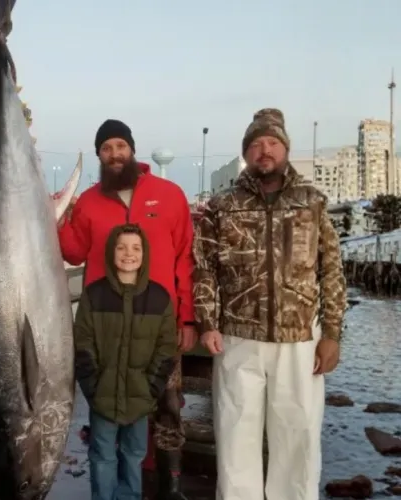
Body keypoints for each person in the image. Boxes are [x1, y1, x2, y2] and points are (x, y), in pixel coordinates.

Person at [193, 108, 347, 500]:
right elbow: (204, 269)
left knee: (298, 438)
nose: (265, 150)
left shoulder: (312, 202)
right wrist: (207, 321)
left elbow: (331, 271)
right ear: (246, 152)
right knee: (235, 438)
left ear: (285, 149)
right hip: (237, 338)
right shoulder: (222, 205)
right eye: (256, 144)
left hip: (299, 341)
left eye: (272, 143)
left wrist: (331, 334)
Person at [59, 119, 196, 499]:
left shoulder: (169, 195)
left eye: (120, 146)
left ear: (132, 150)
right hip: (104, 327)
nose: (114, 154)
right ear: (100, 155)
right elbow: (72, 251)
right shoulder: (88, 201)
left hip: (158, 325)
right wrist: (62, 217)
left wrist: (187, 317)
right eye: (106, 149)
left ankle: (165, 485)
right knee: (107, 404)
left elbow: (186, 258)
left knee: (165, 406)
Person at [74, 224, 178, 500]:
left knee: (134, 455)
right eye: (121, 247)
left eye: (135, 248)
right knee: (102, 456)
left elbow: (166, 350)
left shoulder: (159, 298)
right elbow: (82, 345)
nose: (128, 254)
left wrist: (151, 389)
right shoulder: (93, 295)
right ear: (111, 252)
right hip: (103, 398)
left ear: (144, 254)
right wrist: (94, 388)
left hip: (141, 399)